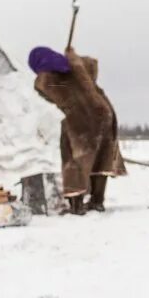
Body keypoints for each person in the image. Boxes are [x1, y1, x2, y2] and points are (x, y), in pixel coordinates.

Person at [30, 45, 125, 214]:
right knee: (102, 157)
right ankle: (97, 201)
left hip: (81, 119)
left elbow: (44, 91)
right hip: (104, 112)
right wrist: (72, 57)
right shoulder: (80, 66)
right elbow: (92, 64)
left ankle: (77, 205)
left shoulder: (46, 79)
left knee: (74, 159)